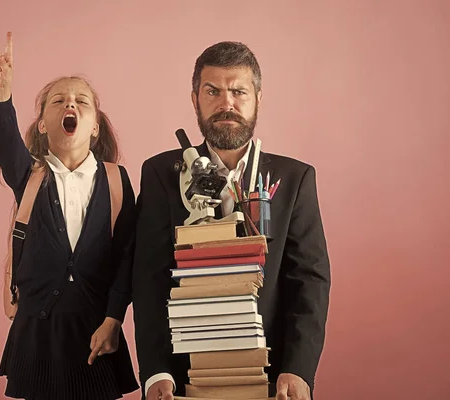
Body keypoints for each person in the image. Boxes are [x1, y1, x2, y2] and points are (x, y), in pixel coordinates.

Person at [132, 41, 331, 400]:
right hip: (182, 375)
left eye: (239, 91)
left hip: (272, 377)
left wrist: (299, 368)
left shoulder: (296, 178)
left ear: (257, 98)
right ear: (195, 99)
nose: (227, 104)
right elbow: (149, 276)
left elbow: (309, 281)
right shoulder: (161, 173)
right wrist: (155, 370)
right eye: (213, 92)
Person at [0, 32, 139, 399]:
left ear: (94, 126)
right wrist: (2, 93)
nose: (71, 104)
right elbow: (4, 144)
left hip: (96, 330)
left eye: (81, 101)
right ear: (42, 124)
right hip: (37, 329)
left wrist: (114, 318)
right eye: (59, 100)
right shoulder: (29, 176)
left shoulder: (117, 181)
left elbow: (127, 257)